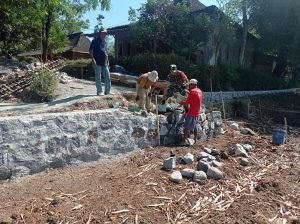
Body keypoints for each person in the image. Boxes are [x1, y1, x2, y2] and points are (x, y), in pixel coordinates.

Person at [89, 28, 111, 96]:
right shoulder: (94, 41)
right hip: (97, 62)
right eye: (102, 33)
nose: (103, 34)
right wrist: (93, 61)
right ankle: (99, 91)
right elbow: (91, 51)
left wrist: (107, 62)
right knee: (98, 77)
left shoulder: (105, 42)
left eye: (105, 33)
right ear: (99, 33)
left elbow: (106, 53)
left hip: (104, 63)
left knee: (108, 77)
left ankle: (107, 92)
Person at [180, 79, 203, 145]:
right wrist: (188, 93)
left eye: (190, 85)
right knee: (195, 126)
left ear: (193, 84)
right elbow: (195, 99)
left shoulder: (192, 91)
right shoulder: (199, 91)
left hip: (191, 112)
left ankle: (184, 141)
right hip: (197, 112)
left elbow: (187, 102)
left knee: (186, 126)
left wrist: (180, 102)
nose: (189, 86)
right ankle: (195, 140)